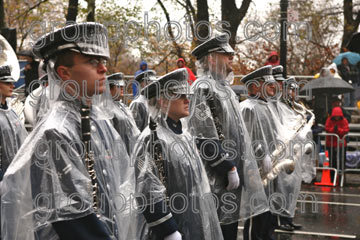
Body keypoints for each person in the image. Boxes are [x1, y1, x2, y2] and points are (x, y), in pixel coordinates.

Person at [1, 22, 137, 240]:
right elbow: (74, 219)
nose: (103, 68)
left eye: (103, 61)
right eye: (92, 62)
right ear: (64, 72)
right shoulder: (55, 132)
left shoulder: (98, 121)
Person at [187, 35, 267, 240]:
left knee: (229, 230)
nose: (232, 57)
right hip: (216, 176)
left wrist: (253, 160)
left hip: (232, 176)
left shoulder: (227, 91)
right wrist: (228, 167)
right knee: (214, 231)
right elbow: (203, 135)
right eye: (226, 54)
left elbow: (239, 133)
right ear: (212, 58)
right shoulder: (202, 87)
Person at [133, 68, 223, 240]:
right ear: (163, 101)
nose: (187, 99)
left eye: (187, 94)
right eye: (180, 95)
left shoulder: (185, 135)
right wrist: (168, 230)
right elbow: (147, 191)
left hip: (192, 222)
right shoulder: (152, 138)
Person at [108, 72, 140, 155]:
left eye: (122, 86)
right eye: (118, 86)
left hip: (133, 152)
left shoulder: (124, 107)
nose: (122, 88)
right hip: (120, 155)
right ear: (109, 89)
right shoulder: (107, 109)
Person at [325, 106, 349, 182]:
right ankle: (332, 178)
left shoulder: (344, 120)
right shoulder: (329, 120)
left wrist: (337, 130)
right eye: (335, 116)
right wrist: (334, 130)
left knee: (341, 161)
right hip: (331, 144)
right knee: (332, 161)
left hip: (340, 144)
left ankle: (341, 178)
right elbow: (327, 129)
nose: (337, 118)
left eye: (338, 116)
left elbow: (346, 130)